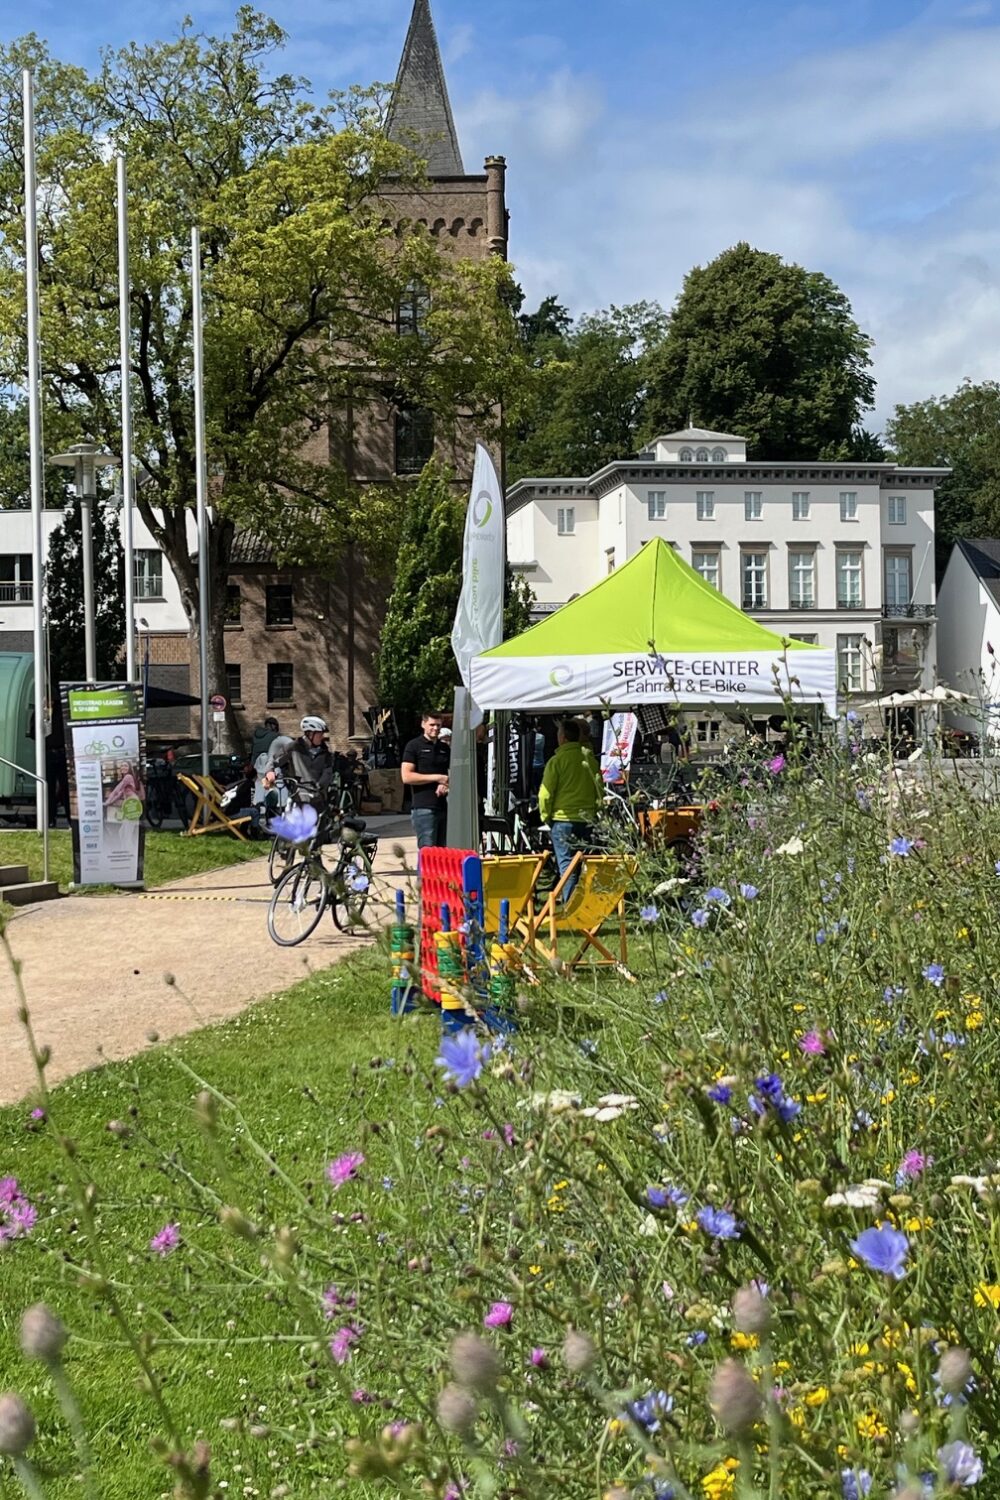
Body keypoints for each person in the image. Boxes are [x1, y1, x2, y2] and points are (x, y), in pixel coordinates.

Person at [538, 718, 603, 899]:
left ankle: (570, 907)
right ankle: (586, 904)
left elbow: (545, 794)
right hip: (588, 820)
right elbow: (599, 788)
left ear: (563, 737)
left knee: (567, 867)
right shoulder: (589, 759)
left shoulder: (556, 761)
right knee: (586, 865)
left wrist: (546, 817)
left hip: (563, 820)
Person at [261, 716, 338, 822]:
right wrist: (270, 772)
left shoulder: (326, 754)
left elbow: (328, 773)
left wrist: (319, 786)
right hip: (299, 797)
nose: (322, 737)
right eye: (320, 734)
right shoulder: (294, 747)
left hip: (318, 799)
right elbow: (274, 760)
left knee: (319, 832)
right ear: (310, 734)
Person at [401, 711, 450, 849]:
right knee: (428, 853)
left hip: (443, 807)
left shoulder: (444, 748)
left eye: (438, 725)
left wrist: (446, 784)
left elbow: (451, 773)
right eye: (432, 725)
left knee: (442, 854)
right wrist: (437, 778)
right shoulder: (413, 746)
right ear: (423, 724)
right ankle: (423, 872)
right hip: (423, 807)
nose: (435, 728)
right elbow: (406, 776)